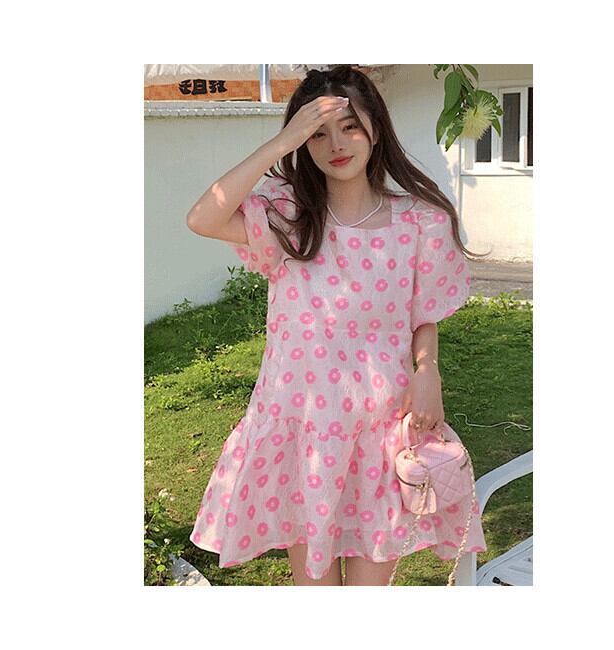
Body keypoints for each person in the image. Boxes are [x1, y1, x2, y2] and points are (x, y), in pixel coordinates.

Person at [186, 65, 487, 586]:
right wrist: (282, 141)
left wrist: (428, 370)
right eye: (318, 134)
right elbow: (202, 217)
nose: (337, 145)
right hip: (305, 433)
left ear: (376, 128)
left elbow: (423, 313)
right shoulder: (289, 216)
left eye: (349, 126)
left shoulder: (420, 220)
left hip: (382, 430)